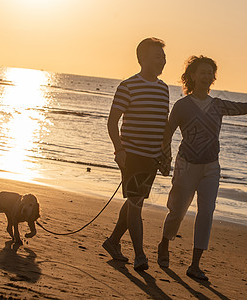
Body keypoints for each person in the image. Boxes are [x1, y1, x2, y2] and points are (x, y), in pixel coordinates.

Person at [157, 55, 247, 280]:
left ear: (214, 78)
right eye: (202, 72)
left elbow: (243, 107)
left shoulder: (218, 105)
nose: (206, 76)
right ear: (192, 76)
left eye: (210, 73)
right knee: (177, 210)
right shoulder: (182, 106)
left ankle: (195, 265)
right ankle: (164, 243)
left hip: (211, 167)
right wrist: (164, 158)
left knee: (206, 213)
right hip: (186, 165)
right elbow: (168, 132)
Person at [103, 37, 169, 271]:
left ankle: (112, 242)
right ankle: (140, 255)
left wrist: (165, 155)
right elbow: (112, 122)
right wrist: (119, 150)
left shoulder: (163, 89)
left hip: (151, 158)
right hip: (131, 155)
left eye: (163, 57)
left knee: (134, 201)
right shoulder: (128, 86)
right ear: (142, 59)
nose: (162, 61)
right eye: (157, 56)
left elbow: (163, 126)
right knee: (136, 203)